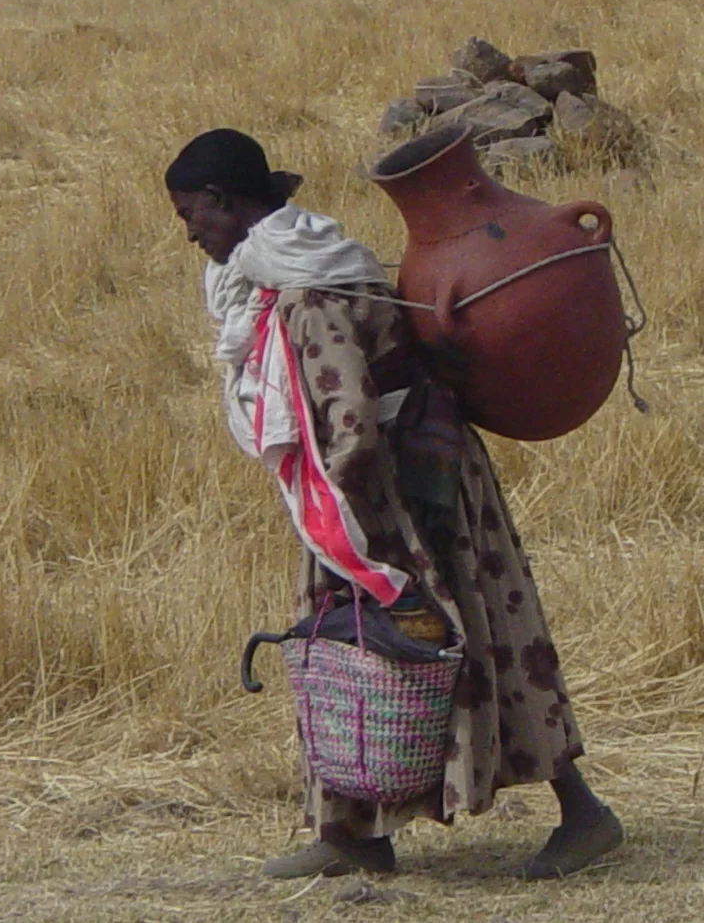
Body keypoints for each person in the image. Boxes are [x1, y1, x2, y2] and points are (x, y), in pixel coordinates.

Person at [165, 128, 623, 880]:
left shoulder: (308, 293)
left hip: (401, 499)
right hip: (407, 483)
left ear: (224, 201)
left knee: (470, 637)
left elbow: (347, 420)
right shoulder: (312, 260)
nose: (189, 231)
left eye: (192, 213)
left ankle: (584, 813)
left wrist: (352, 521)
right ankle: (353, 833)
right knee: (355, 650)